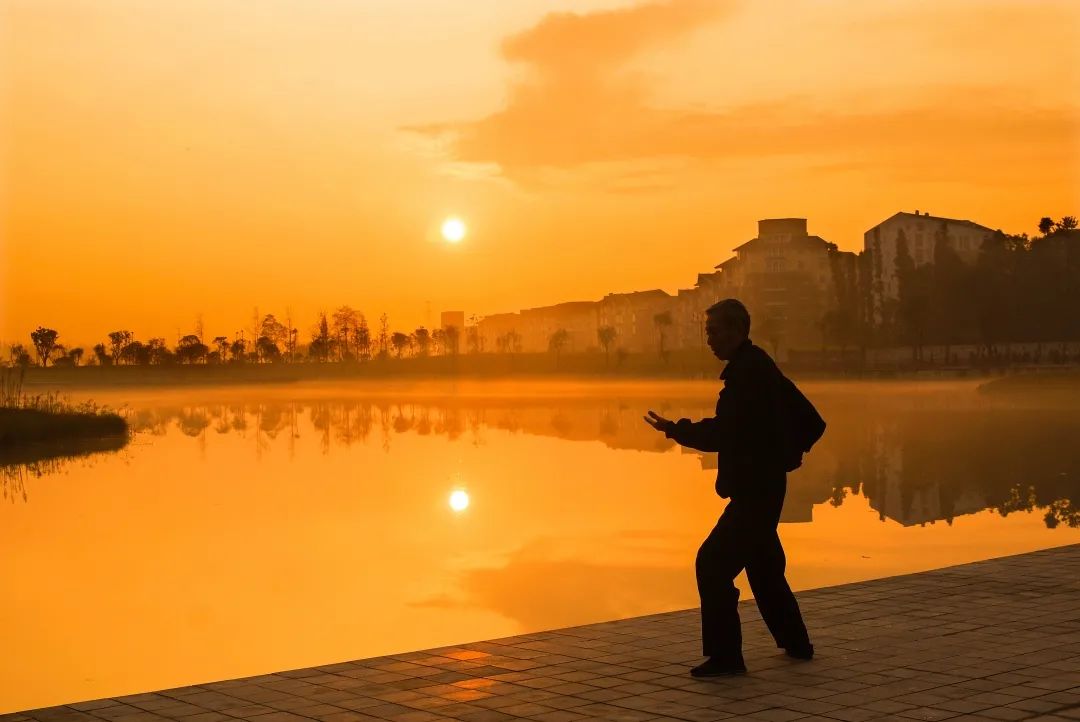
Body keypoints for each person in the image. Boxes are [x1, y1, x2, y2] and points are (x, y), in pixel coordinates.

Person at [643, 299, 815, 677]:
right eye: (708, 332)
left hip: (756, 491)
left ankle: (726, 657)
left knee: (712, 564)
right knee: (764, 568)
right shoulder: (755, 367)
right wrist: (787, 454)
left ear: (737, 331)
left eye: (714, 332)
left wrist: (676, 429)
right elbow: (805, 420)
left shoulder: (749, 374)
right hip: (765, 487)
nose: (709, 340)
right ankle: (797, 644)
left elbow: (724, 432)